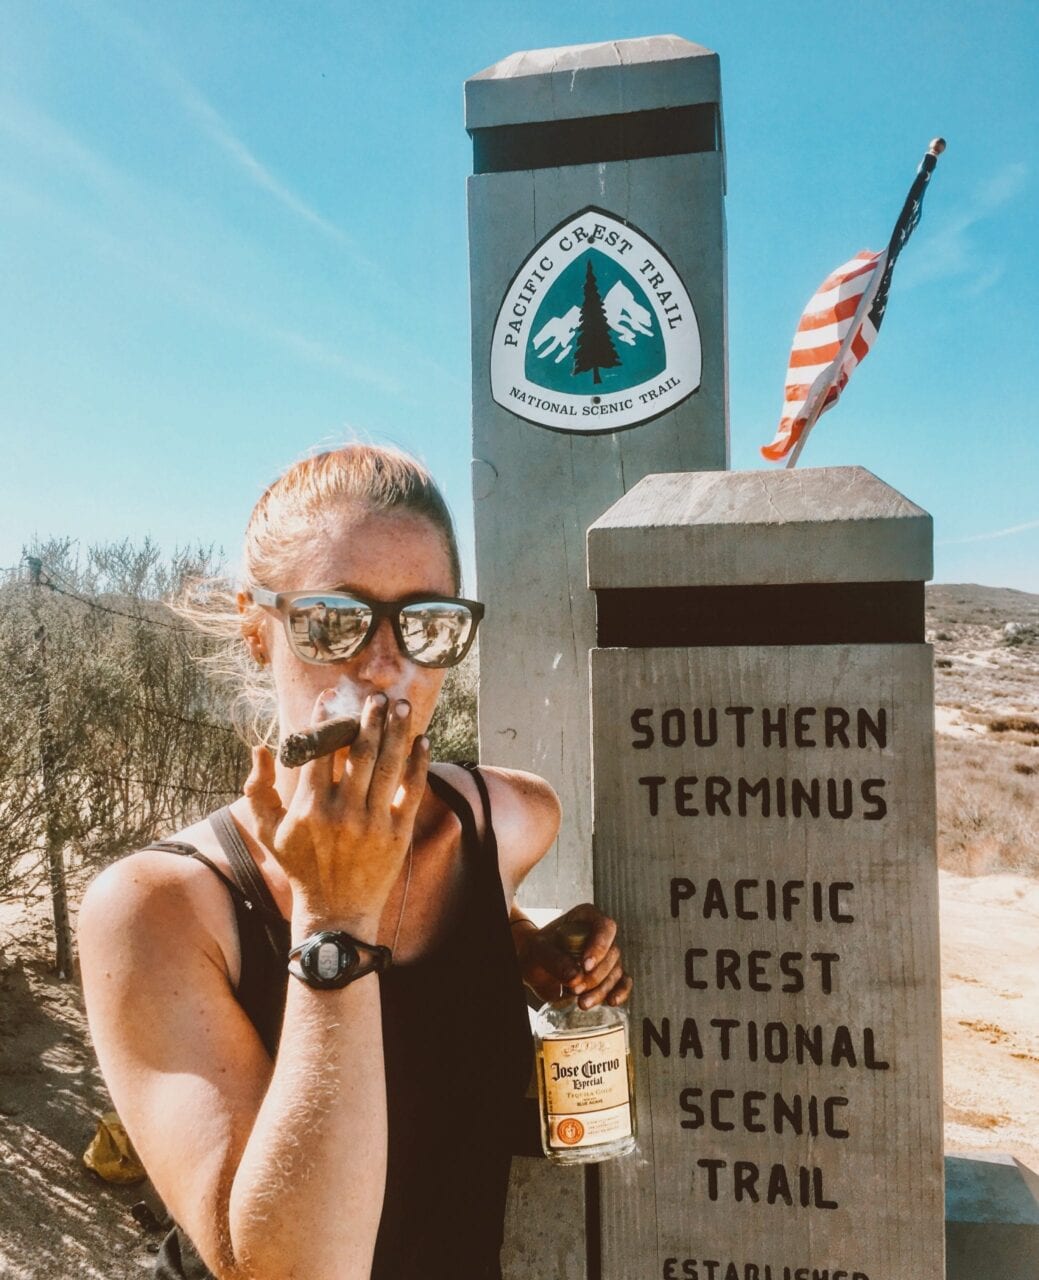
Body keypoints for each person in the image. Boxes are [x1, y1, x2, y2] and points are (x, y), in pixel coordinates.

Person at [78, 443, 632, 1280]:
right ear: (256, 630)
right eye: (333, 620)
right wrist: (333, 921)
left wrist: (518, 939)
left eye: (426, 622)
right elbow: (286, 1270)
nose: (384, 664)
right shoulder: (157, 907)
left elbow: (445, 980)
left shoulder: (507, 822)